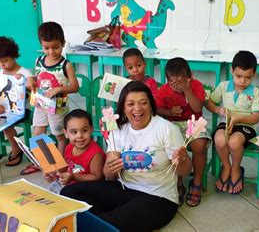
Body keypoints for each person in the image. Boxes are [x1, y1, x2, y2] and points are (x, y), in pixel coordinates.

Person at [60, 81, 192, 231]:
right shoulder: (118, 130)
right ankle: (105, 222)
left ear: (150, 105)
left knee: (109, 221)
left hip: (158, 197)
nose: (137, 108)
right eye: (130, 104)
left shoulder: (167, 129)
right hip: (124, 189)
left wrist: (181, 160)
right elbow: (108, 175)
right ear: (123, 107)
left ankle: (105, 222)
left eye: (143, 102)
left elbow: (185, 171)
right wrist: (111, 168)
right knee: (69, 193)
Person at [22, 21, 79, 175]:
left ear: (63, 43)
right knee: (38, 135)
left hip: (58, 109)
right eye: (46, 48)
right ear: (41, 45)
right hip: (40, 105)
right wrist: (31, 78)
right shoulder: (38, 61)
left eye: (56, 47)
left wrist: (59, 88)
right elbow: (38, 77)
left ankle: (59, 166)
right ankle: (47, 163)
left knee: (59, 136)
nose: (51, 52)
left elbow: (75, 87)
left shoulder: (66, 65)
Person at [156, 57, 210, 207]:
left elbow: (198, 108)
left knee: (200, 145)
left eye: (180, 82)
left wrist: (187, 90)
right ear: (167, 80)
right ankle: (177, 181)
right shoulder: (164, 90)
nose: (176, 86)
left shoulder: (196, 86)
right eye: (172, 82)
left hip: (195, 123)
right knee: (175, 148)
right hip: (173, 124)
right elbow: (157, 109)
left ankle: (197, 182)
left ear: (189, 77)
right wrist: (169, 111)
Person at [206, 50, 259, 194]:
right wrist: (218, 110)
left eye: (248, 77)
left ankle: (236, 168)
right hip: (226, 124)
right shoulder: (224, 86)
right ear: (232, 71)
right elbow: (210, 102)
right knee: (219, 139)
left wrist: (238, 118)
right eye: (238, 76)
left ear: (254, 74)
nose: (242, 81)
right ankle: (226, 166)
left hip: (246, 127)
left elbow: (255, 118)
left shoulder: (255, 92)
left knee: (234, 142)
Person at [0, 36, 32, 172]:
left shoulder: (25, 73)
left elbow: (33, 90)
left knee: (5, 126)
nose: (2, 65)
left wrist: (26, 82)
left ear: (14, 55)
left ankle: (16, 149)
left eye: (5, 61)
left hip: (20, 112)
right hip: (2, 111)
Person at [44, 109, 105, 190]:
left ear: (91, 129)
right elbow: (66, 166)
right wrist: (54, 174)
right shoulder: (69, 147)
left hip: (90, 190)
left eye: (84, 130)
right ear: (66, 133)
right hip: (71, 185)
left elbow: (97, 177)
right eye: (74, 132)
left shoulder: (95, 154)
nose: (80, 136)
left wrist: (74, 176)